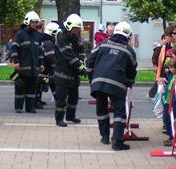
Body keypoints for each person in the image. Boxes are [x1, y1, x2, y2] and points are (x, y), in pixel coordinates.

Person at [86, 21, 137, 151]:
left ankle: (104, 137)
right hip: (117, 84)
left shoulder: (102, 44)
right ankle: (117, 142)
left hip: (98, 82)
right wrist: (129, 83)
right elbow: (132, 71)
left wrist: (92, 79)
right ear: (128, 35)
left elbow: (89, 62)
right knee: (119, 112)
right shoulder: (129, 51)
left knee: (101, 109)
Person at [54, 13, 86, 127]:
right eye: (75, 28)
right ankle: (59, 119)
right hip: (62, 73)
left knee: (74, 97)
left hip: (73, 73)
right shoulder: (61, 37)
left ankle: (70, 116)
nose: (77, 30)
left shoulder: (75, 37)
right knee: (61, 99)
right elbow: (69, 55)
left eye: (78, 28)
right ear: (69, 26)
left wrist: (81, 61)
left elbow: (82, 50)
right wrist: (80, 67)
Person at [10, 11, 44, 114]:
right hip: (22, 67)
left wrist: (41, 63)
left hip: (34, 68)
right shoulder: (20, 34)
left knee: (32, 89)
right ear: (27, 22)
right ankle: (19, 107)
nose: (34, 24)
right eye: (32, 22)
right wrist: (16, 62)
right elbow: (14, 48)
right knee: (20, 87)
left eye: (35, 22)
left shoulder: (38, 35)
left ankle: (30, 108)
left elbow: (40, 51)